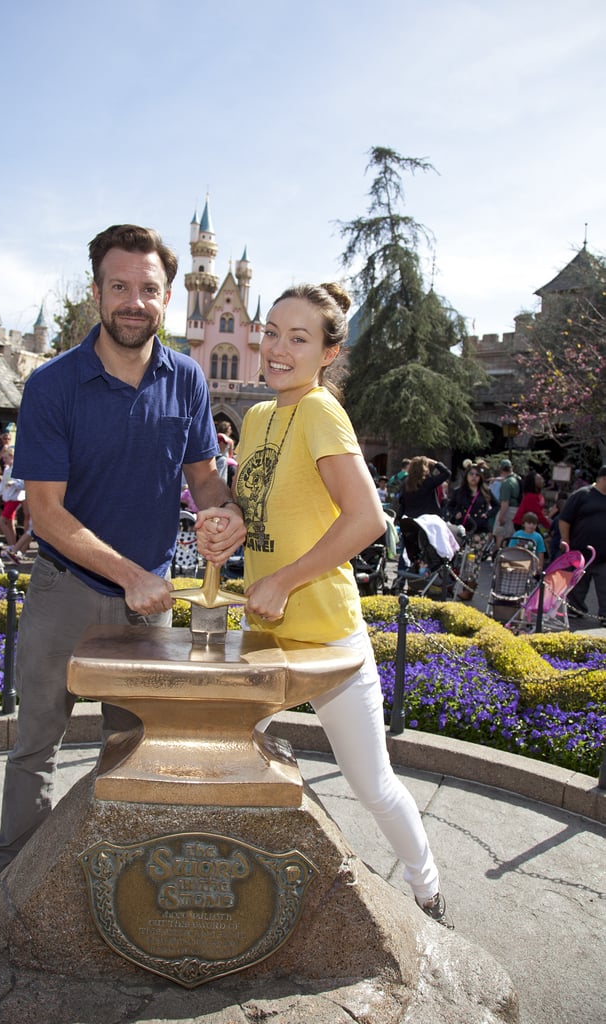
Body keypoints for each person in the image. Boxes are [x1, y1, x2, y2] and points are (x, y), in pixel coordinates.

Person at [0, 222, 244, 932]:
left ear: (168, 296)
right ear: (96, 291)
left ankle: (112, 878)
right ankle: (7, 878)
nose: (135, 301)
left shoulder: (187, 377)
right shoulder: (52, 384)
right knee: (35, 741)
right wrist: (130, 572)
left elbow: (203, 477)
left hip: (150, 603)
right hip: (68, 594)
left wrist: (227, 514)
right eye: (120, 287)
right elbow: (45, 511)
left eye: (149, 289)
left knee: (132, 744)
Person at [197, 281, 451, 928]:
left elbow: (366, 519)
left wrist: (284, 580)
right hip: (265, 635)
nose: (278, 349)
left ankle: (427, 891)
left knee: (371, 785)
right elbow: (253, 513)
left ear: (328, 353)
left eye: (299, 338)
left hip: (329, 638)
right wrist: (229, 524)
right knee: (225, 753)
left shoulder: (319, 410)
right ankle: (239, 888)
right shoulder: (255, 417)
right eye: (273, 333)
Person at [558, 466, 606, 625]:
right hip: (581, 552)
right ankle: (574, 609)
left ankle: (604, 615)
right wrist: (565, 540)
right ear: (603, 478)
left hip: (604, 554)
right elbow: (565, 519)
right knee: (577, 584)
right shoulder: (582, 495)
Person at [493, 459, 521, 551]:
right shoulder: (517, 479)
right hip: (517, 509)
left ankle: (499, 553)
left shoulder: (506, 483)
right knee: (512, 534)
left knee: (500, 532)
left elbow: (505, 502)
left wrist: (501, 516)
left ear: (501, 470)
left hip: (508, 510)